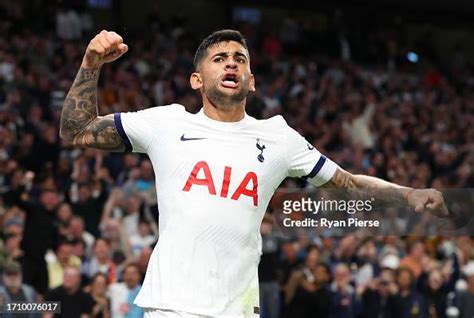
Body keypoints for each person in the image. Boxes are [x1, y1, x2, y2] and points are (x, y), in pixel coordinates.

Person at [59, 29, 449, 317]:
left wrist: (408, 193)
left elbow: (347, 182)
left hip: (238, 310)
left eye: (240, 58)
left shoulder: (278, 136)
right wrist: (91, 65)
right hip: (170, 306)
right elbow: (76, 131)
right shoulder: (165, 123)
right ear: (196, 80)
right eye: (219, 58)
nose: (231, 61)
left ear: (252, 82)